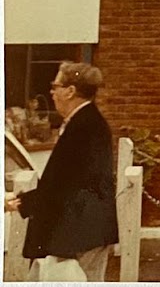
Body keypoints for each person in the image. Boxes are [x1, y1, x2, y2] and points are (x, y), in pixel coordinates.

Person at [4, 62, 119, 281]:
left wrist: (19, 202)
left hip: (77, 234)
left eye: (55, 86)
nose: (51, 92)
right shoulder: (84, 122)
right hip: (81, 231)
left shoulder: (84, 127)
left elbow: (64, 183)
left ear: (70, 91)